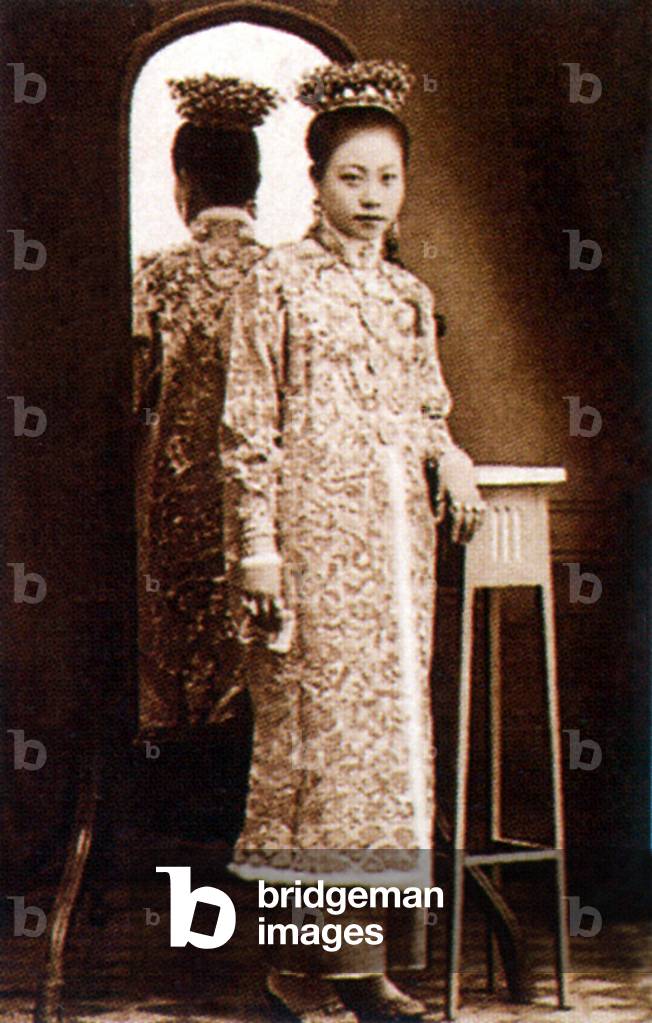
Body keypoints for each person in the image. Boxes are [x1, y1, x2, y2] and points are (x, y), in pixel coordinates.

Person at [219, 61, 485, 1021]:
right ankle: (337, 969)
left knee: (384, 755)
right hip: (309, 552)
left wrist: (448, 453)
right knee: (319, 758)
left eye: (388, 180)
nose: (372, 199)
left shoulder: (407, 298)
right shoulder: (273, 284)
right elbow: (249, 428)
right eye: (351, 178)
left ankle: (329, 968)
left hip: (396, 554)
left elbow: (424, 409)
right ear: (315, 181)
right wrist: (259, 549)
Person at [132, 74, 279, 737]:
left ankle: (176, 758)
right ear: (255, 181)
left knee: (176, 608)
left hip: (178, 479)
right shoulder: (281, 271)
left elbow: (137, 381)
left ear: (182, 182)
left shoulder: (159, 274)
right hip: (264, 482)